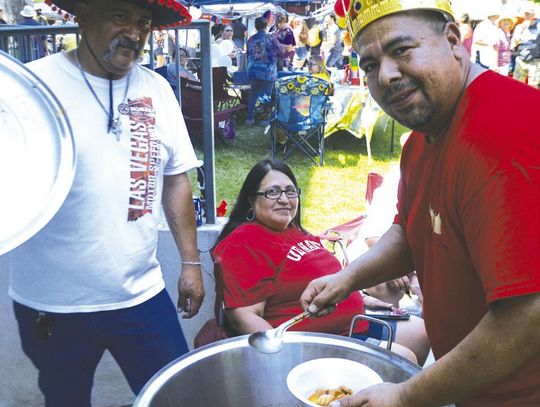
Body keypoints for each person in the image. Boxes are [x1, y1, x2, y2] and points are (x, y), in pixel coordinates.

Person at [300, 1, 540, 406]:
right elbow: (411, 233)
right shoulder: (421, 141)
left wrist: (406, 396)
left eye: (401, 50)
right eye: (371, 64)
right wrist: (348, 278)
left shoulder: (502, 131)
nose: (387, 75)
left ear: (453, 40)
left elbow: (528, 314)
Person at [8, 1, 205, 406]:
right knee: (65, 400)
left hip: (141, 295)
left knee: (176, 397)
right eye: (120, 16)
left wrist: (190, 263)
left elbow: (176, 180)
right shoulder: (31, 89)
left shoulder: (157, 89)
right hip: (53, 303)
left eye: (144, 22)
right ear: (83, 15)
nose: (134, 34)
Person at [213, 159, 428, 364]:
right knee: (404, 358)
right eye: (272, 192)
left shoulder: (293, 231)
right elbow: (244, 316)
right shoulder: (244, 242)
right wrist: (283, 358)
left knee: (421, 332)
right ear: (251, 200)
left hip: (353, 323)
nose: (284, 199)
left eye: (290, 191)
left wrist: (358, 298)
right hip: (313, 344)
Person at [245, 16, 290, 126]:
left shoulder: (251, 39)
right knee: (266, 96)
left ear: (256, 26)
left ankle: (249, 119)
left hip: (253, 71)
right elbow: (280, 53)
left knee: (253, 95)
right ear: (266, 26)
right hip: (267, 72)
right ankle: (265, 119)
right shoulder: (271, 38)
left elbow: (248, 55)